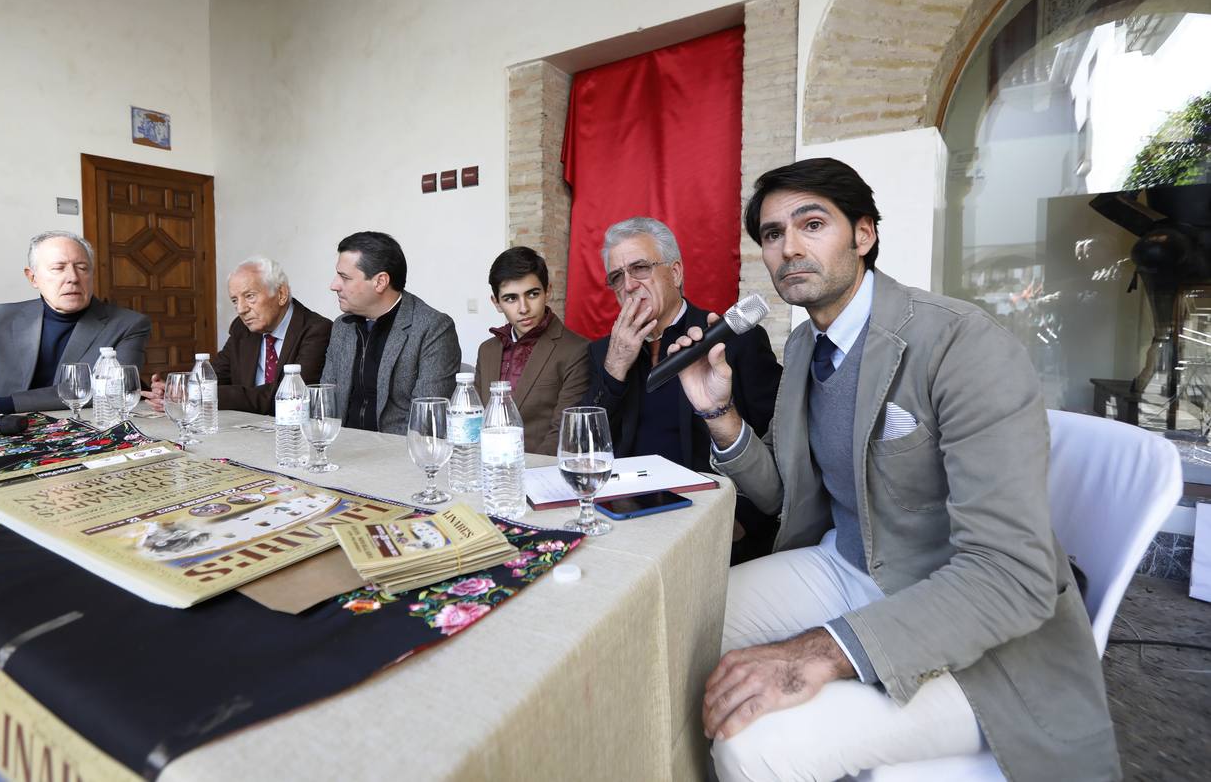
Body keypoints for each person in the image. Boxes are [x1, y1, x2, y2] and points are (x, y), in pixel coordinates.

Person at [669, 158, 1118, 781]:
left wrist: (820, 652)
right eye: (772, 235)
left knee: (755, 746)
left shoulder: (963, 344)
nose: (789, 248)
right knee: (675, 630)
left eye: (812, 223)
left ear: (863, 234)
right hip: (845, 563)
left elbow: (1013, 574)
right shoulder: (804, 344)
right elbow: (779, 491)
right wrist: (717, 411)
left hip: (971, 628)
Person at [584, 216, 782, 560]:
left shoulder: (734, 341)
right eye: (617, 277)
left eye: (640, 268)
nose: (629, 285)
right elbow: (585, 443)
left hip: (708, 525)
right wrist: (615, 367)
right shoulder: (603, 352)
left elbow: (778, 443)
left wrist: (742, 521)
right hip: (622, 521)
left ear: (675, 273)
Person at [0, 231, 151, 424]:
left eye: (82, 268)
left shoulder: (128, 324)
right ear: (32, 277)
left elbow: (110, 391)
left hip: (77, 434)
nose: (73, 277)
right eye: (58, 268)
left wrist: (1, 404)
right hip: (2, 434)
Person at [140, 256, 331, 415]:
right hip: (245, 427)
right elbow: (214, 374)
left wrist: (198, 394)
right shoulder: (242, 328)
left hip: (294, 433)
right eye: (234, 300)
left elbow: (287, 396)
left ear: (281, 294)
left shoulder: (316, 330)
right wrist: (176, 389)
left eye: (249, 296)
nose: (240, 309)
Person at [321, 231, 461, 435]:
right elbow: (326, 402)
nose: (334, 285)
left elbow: (427, 422)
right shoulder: (342, 327)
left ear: (380, 282)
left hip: (399, 456)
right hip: (342, 450)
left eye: (345, 278)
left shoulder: (433, 329)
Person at [476, 247, 589, 455]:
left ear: (548, 291)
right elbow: (476, 422)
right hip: (487, 471)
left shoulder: (576, 350)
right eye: (511, 298)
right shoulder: (487, 351)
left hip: (540, 473)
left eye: (532, 294)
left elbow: (563, 432)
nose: (524, 308)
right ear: (497, 303)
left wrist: (530, 476)